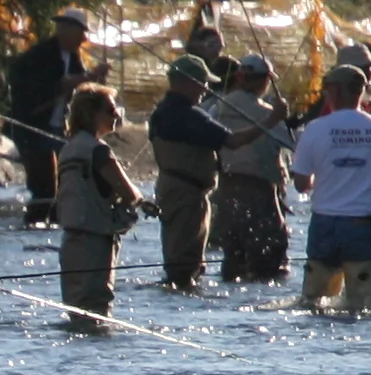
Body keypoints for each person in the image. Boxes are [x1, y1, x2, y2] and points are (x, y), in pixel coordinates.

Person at [290, 62, 371, 314]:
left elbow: (300, 184)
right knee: (365, 306)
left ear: (335, 91)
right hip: (363, 226)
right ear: (361, 91)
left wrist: (322, 179)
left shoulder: (314, 129)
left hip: (324, 225)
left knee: (313, 303)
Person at [147, 54, 261, 289]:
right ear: (188, 82)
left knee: (182, 257)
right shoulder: (189, 115)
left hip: (175, 188)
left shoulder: (163, 111)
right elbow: (233, 141)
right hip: (186, 193)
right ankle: (181, 296)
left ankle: (181, 288)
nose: (205, 89)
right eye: (203, 83)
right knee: (184, 263)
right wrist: (271, 122)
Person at [54, 82, 141, 327]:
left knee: (76, 310)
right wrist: (139, 201)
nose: (116, 115)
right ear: (91, 114)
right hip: (95, 242)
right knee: (96, 313)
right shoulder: (98, 151)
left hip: (71, 240)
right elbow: (130, 193)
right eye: (110, 110)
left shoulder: (68, 149)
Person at [3, 9, 88, 227]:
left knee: (66, 179)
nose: (84, 39)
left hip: (58, 128)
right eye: (80, 33)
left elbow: (77, 85)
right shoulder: (40, 55)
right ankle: (35, 222)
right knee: (44, 184)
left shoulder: (73, 56)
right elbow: (51, 85)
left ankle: (56, 223)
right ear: (66, 31)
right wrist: (85, 78)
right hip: (31, 126)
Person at [211, 55, 293, 282]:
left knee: (233, 253)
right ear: (265, 80)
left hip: (225, 188)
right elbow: (292, 144)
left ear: (239, 77)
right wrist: (281, 118)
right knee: (270, 256)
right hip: (260, 190)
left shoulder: (217, 107)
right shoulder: (267, 113)